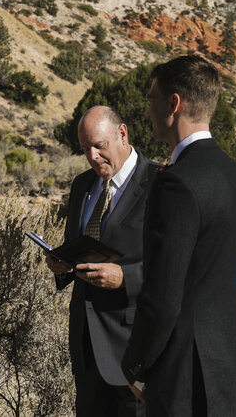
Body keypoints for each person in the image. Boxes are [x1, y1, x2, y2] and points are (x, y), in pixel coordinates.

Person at [122, 55, 236, 416]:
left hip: (185, 379)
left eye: (151, 98)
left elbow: (163, 297)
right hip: (229, 370)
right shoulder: (234, 175)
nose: (147, 109)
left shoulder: (177, 183)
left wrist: (135, 367)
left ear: (173, 103)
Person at [45, 106, 158, 416]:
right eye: (85, 149)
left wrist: (126, 278)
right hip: (86, 346)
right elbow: (78, 246)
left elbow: (176, 265)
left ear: (122, 134)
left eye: (99, 145)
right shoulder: (82, 184)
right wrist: (61, 265)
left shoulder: (160, 184)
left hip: (134, 350)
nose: (92, 156)